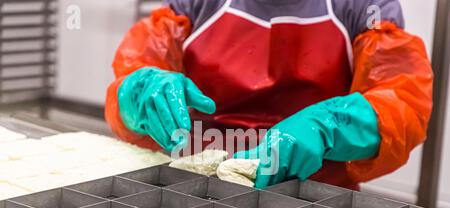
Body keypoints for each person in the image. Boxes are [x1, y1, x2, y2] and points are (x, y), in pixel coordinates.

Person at [105, 0, 433, 189]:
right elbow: (135, 73)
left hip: (315, 195)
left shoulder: (362, 7)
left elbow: (402, 101)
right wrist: (141, 91)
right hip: (196, 186)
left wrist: (327, 126)